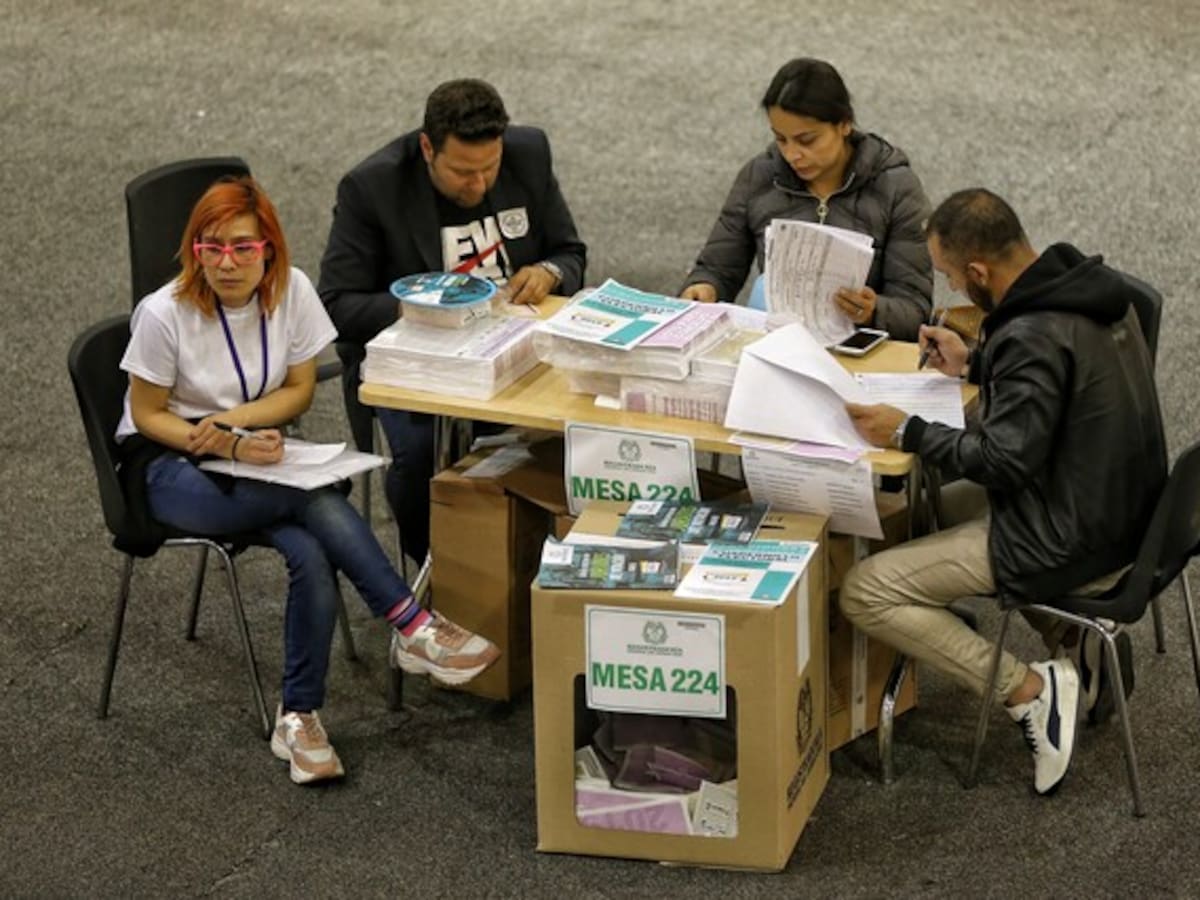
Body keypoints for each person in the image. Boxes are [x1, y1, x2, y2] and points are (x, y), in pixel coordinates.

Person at [116, 176, 500, 785]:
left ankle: (298, 719)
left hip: (247, 456)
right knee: (313, 497)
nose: (227, 262)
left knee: (310, 549)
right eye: (210, 248)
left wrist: (238, 429)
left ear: (268, 246)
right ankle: (410, 622)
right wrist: (218, 439)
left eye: (242, 247)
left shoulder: (289, 290)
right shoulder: (164, 313)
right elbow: (146, 414)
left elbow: (297, 388)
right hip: (169, 465)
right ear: (194, 251)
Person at [840, 188, 1166, 795]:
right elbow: (1057, 387)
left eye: (953, 279)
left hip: (1067, 531)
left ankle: (1031, 693)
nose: (956, 293)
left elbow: (1001, 462)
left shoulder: (1033, 332)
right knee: (919, 514)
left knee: (866, 592)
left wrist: (906, 429)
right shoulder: (1086, 287)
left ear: (978, 271)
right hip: (1122, 509)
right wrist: (975, 364)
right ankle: (1074, 639)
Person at [318, 78, 587, 566]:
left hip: (514, 345)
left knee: (584, 418)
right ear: (427, 148)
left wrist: (548, 273)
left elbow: (568, 254)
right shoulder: (372, 188)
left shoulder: (530, 154)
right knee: (421, 452)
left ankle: (544, 563)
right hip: (420, 361)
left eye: (489, 168)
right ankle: (437, 574)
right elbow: (337, 304)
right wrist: (422, 307)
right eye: (463, 172)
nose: (479, 184)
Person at [680, 58, 932, 340]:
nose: (792, 155)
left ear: (844, 124)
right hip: (780, 345)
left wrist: (874, 311)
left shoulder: (895, 187)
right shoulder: (760, 177)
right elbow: (717, 267)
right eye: (781, 139)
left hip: (859, 352)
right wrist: (704, 288)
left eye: (807, 140)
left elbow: (915, 310)